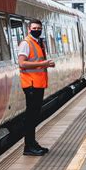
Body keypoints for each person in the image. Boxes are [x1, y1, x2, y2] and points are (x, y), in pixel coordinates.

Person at [18, 19, 55, 156]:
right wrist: (44, 63)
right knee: (31, 116)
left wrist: (45, 64)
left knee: (34, 116)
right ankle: (28, 147)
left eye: (39, 28)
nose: (37, 30)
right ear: (29, 29)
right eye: (34, 28)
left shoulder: (36, 43)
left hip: (37, 84)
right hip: (31, 85)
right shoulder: (26, 44)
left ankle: (32, 143)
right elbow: (22, 63)